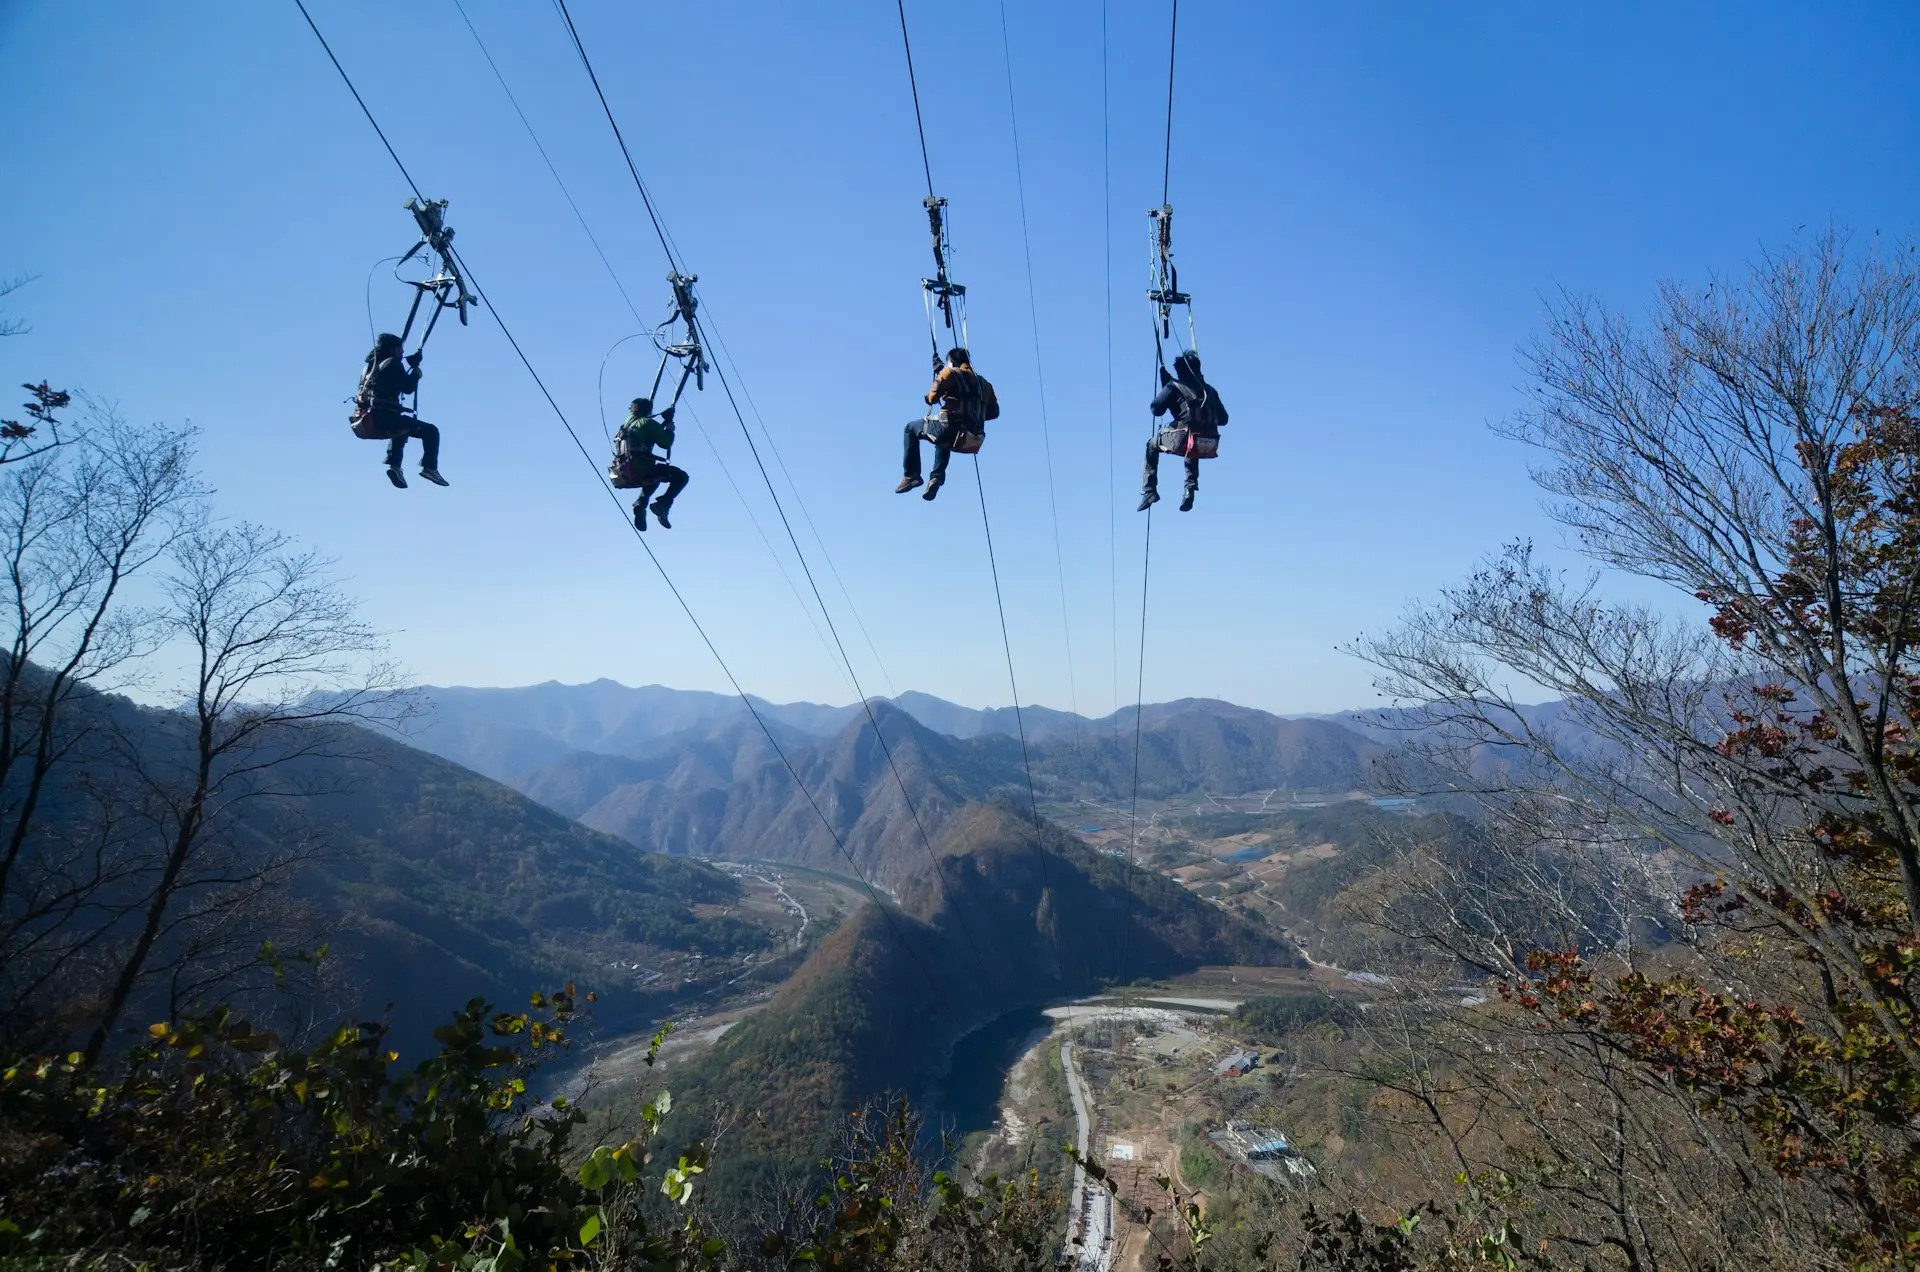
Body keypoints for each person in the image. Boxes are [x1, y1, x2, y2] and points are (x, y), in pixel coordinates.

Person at [898, 347, 997, 502]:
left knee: (910, 429)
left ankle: (912, 475)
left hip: (949, 427)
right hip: (972, 435)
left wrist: (940, 393)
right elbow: (994, 412)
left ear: (952, 361)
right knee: (943, 440)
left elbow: (932, 397)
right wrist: (974, 413)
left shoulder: (949, 373)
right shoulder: (985, 384)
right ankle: (936, 477)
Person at [351, 333, 448, 489]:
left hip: (367, 419)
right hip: (382, 418)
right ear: (393, 349)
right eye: (400, 350)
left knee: (401, 429)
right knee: (431, 431)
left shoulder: (370, 367)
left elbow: (386, 384)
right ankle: (430, 467)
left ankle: (395, 465)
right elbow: (408, 387)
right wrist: (415, 372)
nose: (402, 354)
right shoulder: (393, 363)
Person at [1139, 350, 1227, 512]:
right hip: (1210, 443)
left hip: (1183, 439)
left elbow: (1156, 409)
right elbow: (1224, 420)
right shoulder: (1211, 391)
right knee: (1192, 445)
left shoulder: (1174, 387)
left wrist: (1167, 389)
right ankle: (1190, 488)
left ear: (1180, 371)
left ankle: (1149, 491)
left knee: (1151, 445)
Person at [618, 397, 688, 530]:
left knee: (655, 476)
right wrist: (669, 429)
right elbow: (665, 443)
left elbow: (647, 434)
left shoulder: (626, 425)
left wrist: (661, 422)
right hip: (640, 470)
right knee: (681, 477)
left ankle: (641, 503)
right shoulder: (647, 422)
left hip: (625, 473)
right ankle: (663, 505)